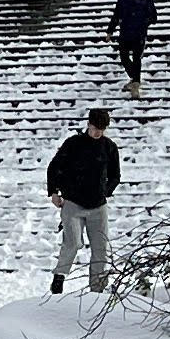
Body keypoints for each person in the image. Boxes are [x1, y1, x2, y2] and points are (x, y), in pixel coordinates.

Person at [46, 106, 120, 292]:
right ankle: (59, 277)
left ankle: (97, 287)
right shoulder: (73, 143)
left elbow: (115, 175)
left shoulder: (109, 147)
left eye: (101, 130)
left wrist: (106, 191)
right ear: (88, 124)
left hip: (98, 205)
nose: (98, 133)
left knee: (100, 247)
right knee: (73, 241)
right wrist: (54, 192)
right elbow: (54, 167)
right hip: (73, 202)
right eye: (95, 128)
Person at [109, 0, 155, 95]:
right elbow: (116, 15)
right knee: (124, 57)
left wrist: (144, 23)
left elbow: (153, 16)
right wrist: (110, 30)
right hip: (125, 33)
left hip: (139, 33)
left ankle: (135, 82)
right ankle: (135, 79)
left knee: (136, 57)